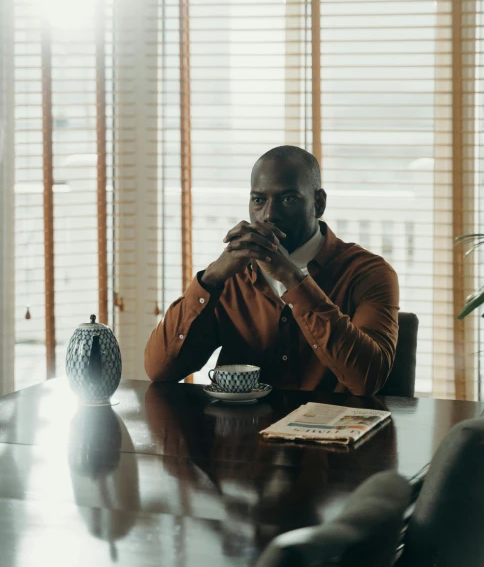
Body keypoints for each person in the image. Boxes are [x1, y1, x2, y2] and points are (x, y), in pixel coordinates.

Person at [144, 146, 399, 395]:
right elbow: (159, 370)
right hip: (240, 432)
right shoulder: (231, 275)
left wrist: (292, 278)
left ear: (318, 203)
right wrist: (210, 279)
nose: (268, 215)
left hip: (331, 433)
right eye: (258, 200)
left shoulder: (368, 272)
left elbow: (368, 379)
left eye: (288, 199)